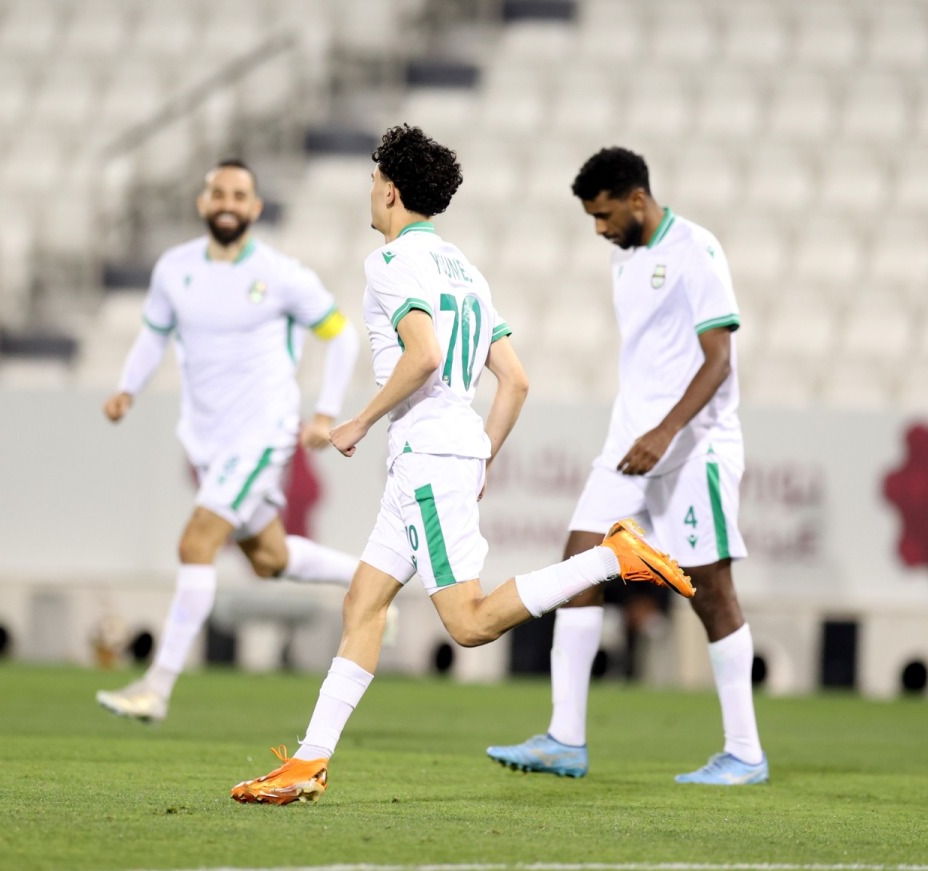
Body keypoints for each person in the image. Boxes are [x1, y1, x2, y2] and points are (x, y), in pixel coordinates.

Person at [229, 125, 691, 806]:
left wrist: (357, 419)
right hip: (442, 452)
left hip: (425, 452)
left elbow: (424, 357)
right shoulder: (464, 269)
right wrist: (481, 456)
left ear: (389, 188)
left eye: (371, 179)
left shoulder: (387, 264)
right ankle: (309, 760)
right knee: (364, 600)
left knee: (469, 622)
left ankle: (611, 556)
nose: (369, 190)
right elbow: (516, 380)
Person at [485, 147, 767, 785]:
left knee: (711, 591)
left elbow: (718, 359)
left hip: (694, 446)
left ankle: (746, 751)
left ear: (637, 199)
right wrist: (642, 430)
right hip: (628, 446)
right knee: (578, 564)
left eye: (605, 214)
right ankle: (565, 738)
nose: (599, 229)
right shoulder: (625, 260)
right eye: (591, 217)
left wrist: (667, 430)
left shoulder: (696, 250)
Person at [96, 159, 361, 723]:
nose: (228, 202)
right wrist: (126, 389)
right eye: (218, 192)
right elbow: (153, 335)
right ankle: (375, 580)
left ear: (255, 208)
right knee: (270, 558)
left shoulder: (281, 274)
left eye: (240, 195)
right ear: (202, 202)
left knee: (196, 545)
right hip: (208, 440)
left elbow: (341, 336)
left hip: (263, 432)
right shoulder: (174, 269)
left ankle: (157, 689)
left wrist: (325, 412)